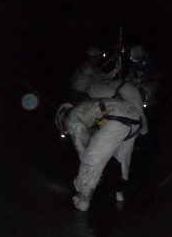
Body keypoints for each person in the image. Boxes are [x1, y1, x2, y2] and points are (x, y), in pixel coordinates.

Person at [61, 81, 148, 211]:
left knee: (90, 159)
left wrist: (91, 165)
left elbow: (83, 148)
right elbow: (98, 129)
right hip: (134, 119)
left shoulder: (71, 117)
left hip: (117, 119)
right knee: (122, 161)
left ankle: (83, 200)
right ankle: (119, 193)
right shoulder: (87, 106)